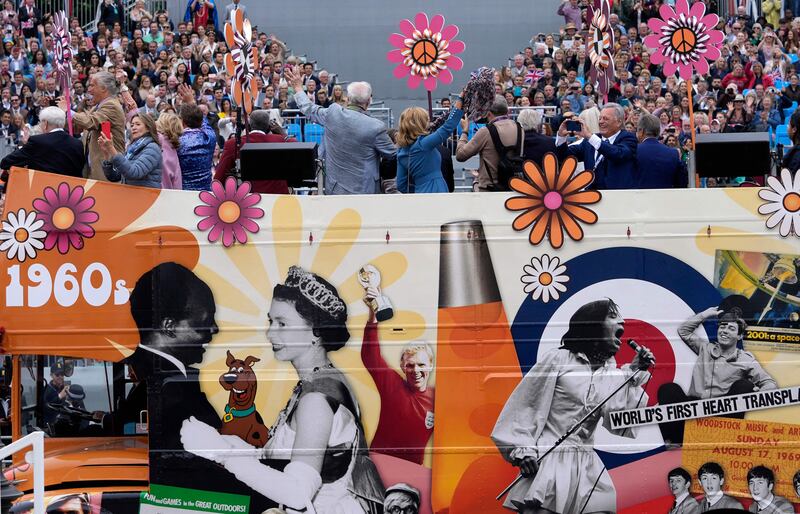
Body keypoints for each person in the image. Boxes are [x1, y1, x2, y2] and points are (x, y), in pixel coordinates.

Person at [182, 266, 385, 513]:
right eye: (271, 321)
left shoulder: (316, 399)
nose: (270, 333)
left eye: (282, 323)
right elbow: (287, 457)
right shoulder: (321, 380)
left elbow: (297, 493)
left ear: (315, 332)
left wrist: (222, 453)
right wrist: (234, 444)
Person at [492, 299, 654, 514]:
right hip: (549, 460)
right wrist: (523, 451)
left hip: (587, 466)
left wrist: (634, 372)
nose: (622, 321)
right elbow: (526, 406)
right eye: (613, 315)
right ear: (593, 324)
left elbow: (620, 423)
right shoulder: (558, 359)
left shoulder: (612, 374)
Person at [657, 307, 777, 446]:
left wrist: (761, 393)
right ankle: (675, 441)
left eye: (731, 328)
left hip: (720, 416)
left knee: (745, 386)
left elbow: (769, 382)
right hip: (692, 411)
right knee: (668, 389)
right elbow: (683, 331)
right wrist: (705, 314)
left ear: (739, 336)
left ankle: (723, 441)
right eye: (722, 326)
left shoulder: (745, 360)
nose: (724, 331)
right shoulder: (705, 348)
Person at [284, 66, 396, 195]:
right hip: (366, 193)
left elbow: (308, 108)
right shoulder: (376, 127)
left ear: (348, 98)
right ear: (369, 101)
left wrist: (298, 87)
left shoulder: (333, 113)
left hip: (334, 191)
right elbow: (391, 155)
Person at [361, 291, 435, 465]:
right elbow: (369, 356)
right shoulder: (392, 384)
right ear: (403, 367)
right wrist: (373, 316)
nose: (415, 370)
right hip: (379, 464)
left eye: (421, 365)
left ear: (430, 366)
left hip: (412, 470)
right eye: (410, 365)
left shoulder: (438, 398)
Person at [58, 71, 125, 182]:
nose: (88, 90)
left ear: (104, 88)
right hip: (93, 169)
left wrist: (68, 111)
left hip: (107, 171)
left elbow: (90, 122)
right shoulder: (97, 107)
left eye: (92, 85)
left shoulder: (111, 105)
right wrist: (60, 113)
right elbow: (78, 126)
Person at [556, 103, 638, 189]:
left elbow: (618, 154)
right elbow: (565, 156)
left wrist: (590, 137)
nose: (601, 122)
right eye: (600, 118)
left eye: (606, 119)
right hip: (592, 196)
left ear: (619, 122)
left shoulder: (628, 138)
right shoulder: (590, 141)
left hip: (617, 196)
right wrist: (561, 136)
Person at [213, 109, 297, 194]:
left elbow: (219, 178)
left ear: (248, 126)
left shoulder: (233, 143)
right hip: (277, 197)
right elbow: (297, 147)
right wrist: (283, 134)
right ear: (269, 128)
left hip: (247, 198)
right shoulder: (279, 140)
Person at [396, 94, 464, 194]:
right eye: (426, 119)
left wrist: (420, 188)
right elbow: (447, 128)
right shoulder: (423, 144)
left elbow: (401, 185)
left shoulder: (401, 151)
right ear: (420, 124)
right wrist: (461, 99)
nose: (429, 122)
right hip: (437, 189)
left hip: (420, 194)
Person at [456, 95, 521, 191]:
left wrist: (465, 132)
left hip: (489, 188)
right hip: (514, 186)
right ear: (507, 111)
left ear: (489, 113)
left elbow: (460, 155)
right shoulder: (520, 128)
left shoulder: (485, 131)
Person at [0, 107, 84, 179]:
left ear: (45, 123)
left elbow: (6, 162)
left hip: (42, 192)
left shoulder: (37, 141)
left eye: (40, 122)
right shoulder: (78, 144)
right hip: (69, 194)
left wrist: (23, 149)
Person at [99, 112, 162, 188]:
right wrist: (106, 154)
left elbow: (134, 173)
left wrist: (111, 148)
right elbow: (114, 177)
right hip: (131, 196)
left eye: (138, 124)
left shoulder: (152, 148)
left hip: (147, 197)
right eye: (132, 125)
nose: (133, 127)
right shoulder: (132, 148)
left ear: (148, 128)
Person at [176, 84, 216, 191]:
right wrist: (191, 102)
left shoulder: (176, 142)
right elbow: (204, 122)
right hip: (206, 193)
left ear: (182, 122)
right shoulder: (209, 137)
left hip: (184, 193)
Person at [635, 113, 687, 188]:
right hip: (666, 198)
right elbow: (682, 182)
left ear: (641, 131)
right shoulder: (674, 153)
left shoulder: (633, 151)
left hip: (638, 197)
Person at [156, 112, 183, 190]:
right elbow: (177, 184)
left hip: (151, 194)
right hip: (167, 195)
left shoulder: (156, 140)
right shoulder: (173, 150)